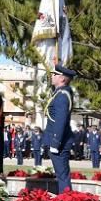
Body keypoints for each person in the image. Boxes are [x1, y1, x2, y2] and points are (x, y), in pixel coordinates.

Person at [44, 64, 76, 192]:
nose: (52, 76)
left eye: (54, 74)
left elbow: (60, 121)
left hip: (59, 142)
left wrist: (55, 143)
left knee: (63, 177)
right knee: (61, 175)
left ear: (62, 78)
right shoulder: (59, 93)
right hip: (57, 140)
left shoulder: (62, 96)